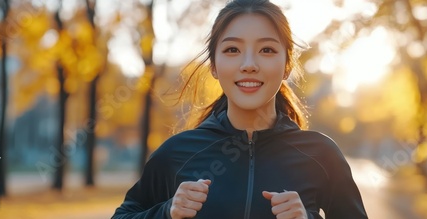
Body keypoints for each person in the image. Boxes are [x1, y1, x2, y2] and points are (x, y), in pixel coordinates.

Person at [112, 0, 368, 218]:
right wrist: (167, 212)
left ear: (287, 64)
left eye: (266, 50)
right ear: (213, 65)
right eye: (232, 49)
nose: (249, 64)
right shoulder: (176, 154)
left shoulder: (322, 156)